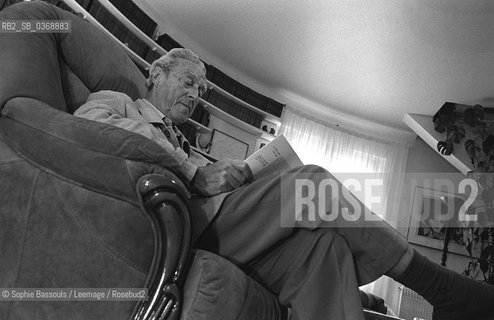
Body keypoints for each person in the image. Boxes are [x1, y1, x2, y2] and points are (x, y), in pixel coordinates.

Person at [75, 48, 494, 320]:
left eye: (201, 89)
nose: (196, 94)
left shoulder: (190, 141)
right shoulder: (121, 101)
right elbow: (89, 124)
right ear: (156, 71)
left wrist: (223, 173)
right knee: (311, 184)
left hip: (219, 228)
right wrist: (194, 171)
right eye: (189, 82)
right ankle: (442, 287)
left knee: (321, 247)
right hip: (179, 226)